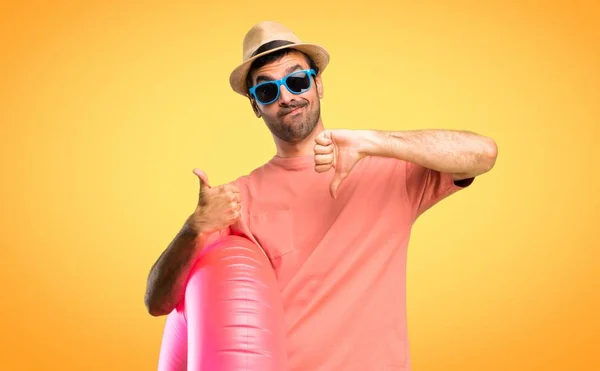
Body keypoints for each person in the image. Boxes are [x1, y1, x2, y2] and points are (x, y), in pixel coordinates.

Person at [144, 20, 498, 370]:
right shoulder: (238, 200)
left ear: (318, 84)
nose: (286, 97)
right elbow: (158, 301)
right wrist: (195, 227)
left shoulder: (385, 169)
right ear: (255, 106)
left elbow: (483, 154)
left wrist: (373, 142)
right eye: (267, 91)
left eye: (296, 80)